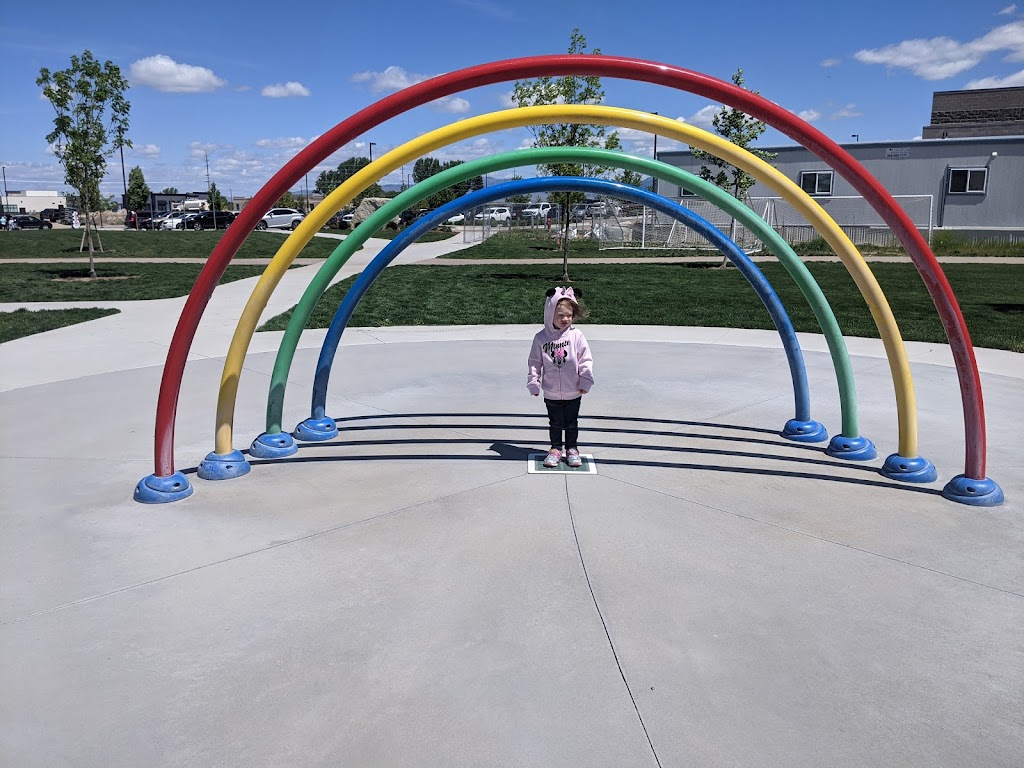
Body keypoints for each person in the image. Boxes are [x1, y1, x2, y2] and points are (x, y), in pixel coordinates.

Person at [527, 286, 594, 468]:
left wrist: (585, 380)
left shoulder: (577, 336)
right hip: (551, 392)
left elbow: (585, 359)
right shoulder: (541, 338)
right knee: (555, 423)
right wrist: (534, 382)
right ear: (550, 315)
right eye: (560, 315)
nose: (565, 319)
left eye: (569, 315)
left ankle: (572, 449)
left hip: (574, 390)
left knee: (571, 423)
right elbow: (535, 362)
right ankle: (555, 449)